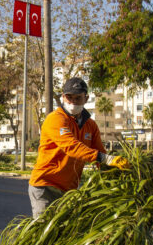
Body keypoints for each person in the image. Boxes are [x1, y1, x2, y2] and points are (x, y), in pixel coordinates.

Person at [28, 77, 129, 218]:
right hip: (45, 185)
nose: (73, 102)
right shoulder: (55, 119)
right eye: (69, 98)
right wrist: (105, 158)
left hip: (69, 189)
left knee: (68, 233)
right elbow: (71, 146)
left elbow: (100, 152)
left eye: (78, 98)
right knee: (45, 230)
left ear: (86, 98)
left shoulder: (91, 125)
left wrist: (115, 174)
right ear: (63, 97)